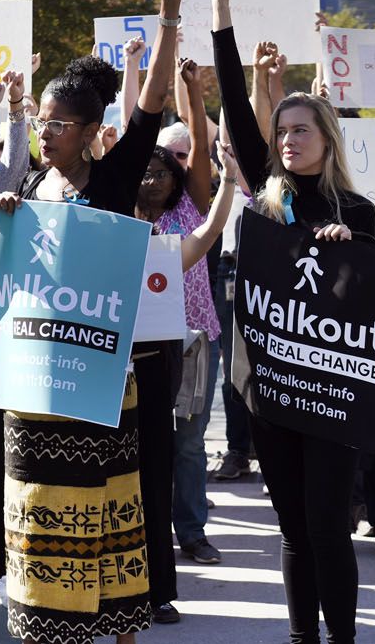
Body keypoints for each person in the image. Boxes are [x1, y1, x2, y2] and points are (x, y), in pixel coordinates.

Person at [0, 0, 187, 643]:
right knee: (38, 511)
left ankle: (121, 630)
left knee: (107, 516)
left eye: (59, 124)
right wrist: (5, 220)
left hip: (101, 382)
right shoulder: (27, 186)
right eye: (40, 120)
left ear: (91, 128)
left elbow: (154, 99)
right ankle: (45, 627)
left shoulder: (112, 179)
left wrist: (169, 10)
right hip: (35, 388)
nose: (45, 132)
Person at [213, 0, 375, 644]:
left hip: (334, 394)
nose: (286, 140)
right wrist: (221, 8)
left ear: (325, 138)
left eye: (299, 130)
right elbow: (229, 91)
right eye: (280, 132)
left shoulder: (360, 209)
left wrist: (350, 252)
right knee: (291, 528)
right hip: (273, 386)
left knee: (326, 524)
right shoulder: (266, 194)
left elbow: (372, 295)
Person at [135, 59, 224, 571]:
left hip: (193, 338)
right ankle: (148, 534)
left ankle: (191, 532)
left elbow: (202, 150)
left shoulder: (192, 207)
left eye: (163, 170)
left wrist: (192, 90)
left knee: (189, 442)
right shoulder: (123, 212)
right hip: (142, 342)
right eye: (145, 170)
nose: (153, 178)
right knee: (147, 441)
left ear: (178, 178)